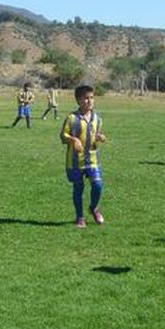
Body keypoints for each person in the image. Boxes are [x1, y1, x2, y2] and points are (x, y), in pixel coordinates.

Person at [60, 85, 107, 228]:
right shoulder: (72, 118)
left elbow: (97, 134)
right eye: (86, 98)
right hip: (75, 161)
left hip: (92, 158)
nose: (89, 101)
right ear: (78, 100)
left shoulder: (97, 118)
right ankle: (80, 217)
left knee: (98, 184)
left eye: (92, 98)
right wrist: (73, 140)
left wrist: (101, 137)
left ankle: (93, 208)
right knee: (78, 188)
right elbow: (63, 136)